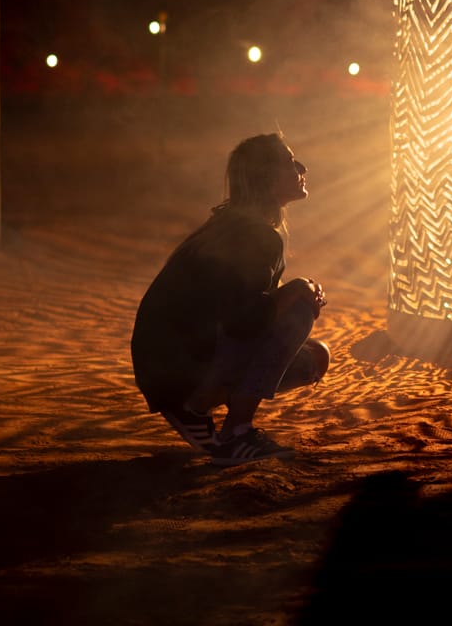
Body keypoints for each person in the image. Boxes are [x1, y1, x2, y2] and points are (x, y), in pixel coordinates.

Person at [131, 132, 330, 466]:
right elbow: (244, 322)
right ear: (267, 178)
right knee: (297, 314)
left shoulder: (233, 225)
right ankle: (234, 433)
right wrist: (297, 290)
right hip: (178, 369)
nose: (301, 167)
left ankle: (195, 408)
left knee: (312, 357)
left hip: (163, 367)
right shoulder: (255, 235)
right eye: (289, 161)